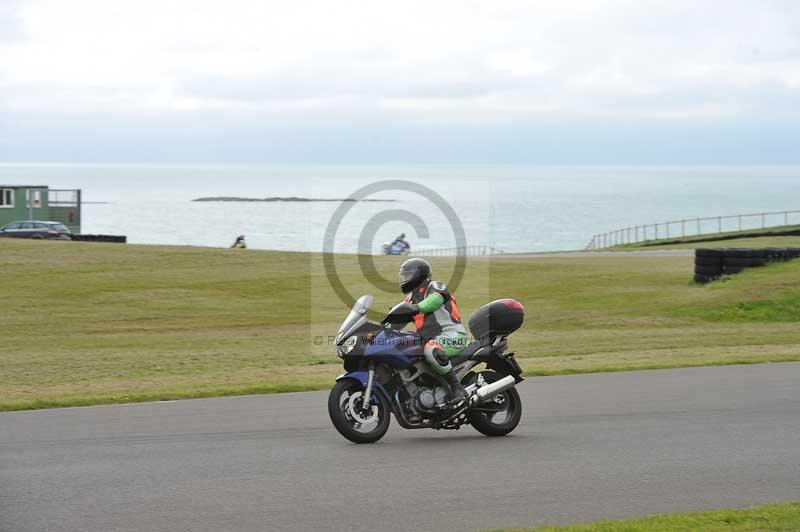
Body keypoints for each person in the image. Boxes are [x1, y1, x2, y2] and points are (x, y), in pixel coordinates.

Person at [398, 258, 468, 402]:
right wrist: (378, 329)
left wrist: (416, 308)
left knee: (431, 350)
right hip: (427, 340)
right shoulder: (409, 299)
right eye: (404, 276)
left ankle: (457, 388)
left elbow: (434, 300)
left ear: (419, 275)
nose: (405, 279)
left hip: (452, 335)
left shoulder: (436, 286)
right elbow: (395, 322)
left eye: (408, 275)